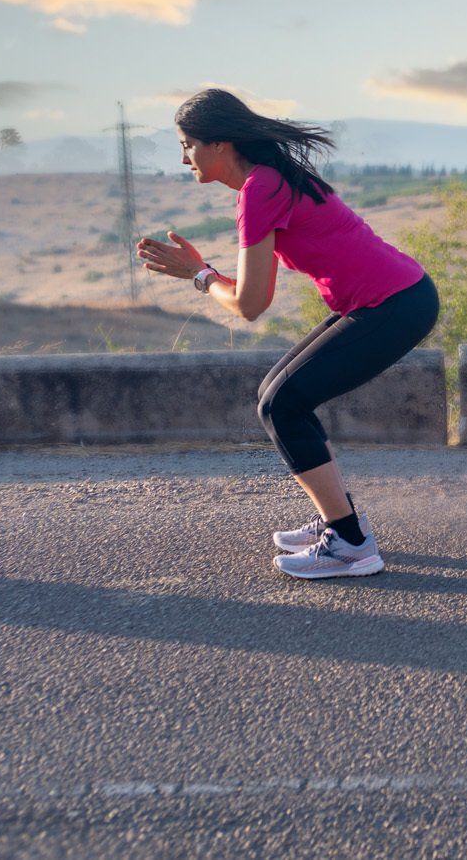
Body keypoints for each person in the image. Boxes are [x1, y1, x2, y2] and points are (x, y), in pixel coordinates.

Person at [137, 89, 438, 580]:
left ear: (220, 143)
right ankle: (339, 521)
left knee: (282, 405)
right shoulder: (269, 181)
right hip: (393, 297)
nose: (183, 157)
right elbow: (254, 295)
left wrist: (199, 275)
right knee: (274, 396)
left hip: (395, 303)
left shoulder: (261, 188)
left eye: (187, 144)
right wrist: (204, 273)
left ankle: (351, 544)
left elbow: (249, 306)